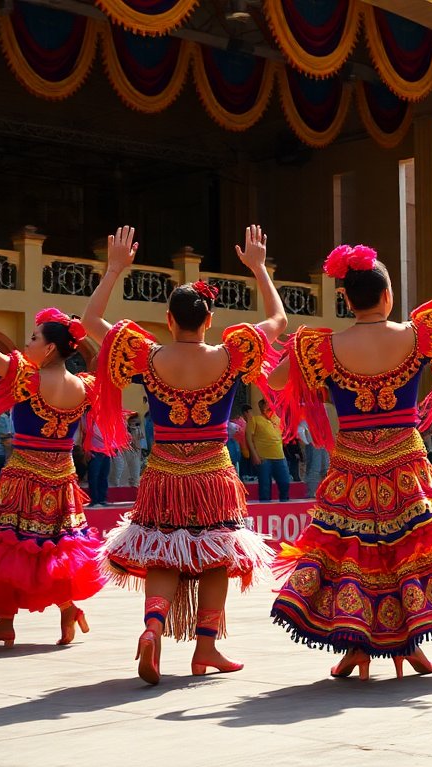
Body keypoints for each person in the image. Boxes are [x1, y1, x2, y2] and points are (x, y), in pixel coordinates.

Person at [269, 224, 432, 680]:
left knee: (352, 552)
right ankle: (408, 645)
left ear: (346, 300)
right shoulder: (417, 335)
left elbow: (276, 381)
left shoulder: (322, 347)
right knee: (402, 551)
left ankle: (356, 648)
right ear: (388, 297)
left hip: (351, 461)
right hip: (405, 459)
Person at [84, 225, 284, 684]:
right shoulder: (231, 354)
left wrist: (114, 269)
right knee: (217, 555)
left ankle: (153, 629)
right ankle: (205, 650)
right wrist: (258, 268)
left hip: (163, 472)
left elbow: (92, 321)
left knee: (161, 552)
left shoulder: (148, 356)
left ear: (169, 320)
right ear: (209, 320)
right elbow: (278, 321)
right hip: (214, 471)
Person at [0, 295, 105, 646]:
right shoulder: (84, 387)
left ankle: (9, 620)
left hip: (24, 477)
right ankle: (52, 611)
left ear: (51, 347)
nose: (28, 343)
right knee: (51, 547)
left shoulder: (28, 377)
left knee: (11, 547)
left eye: (34, 338)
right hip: (62, 479)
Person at [247, 398, 290, 502]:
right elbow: (248, 439)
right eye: (265, 403)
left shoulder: (278, 420)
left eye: (270, 403)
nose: (268, 406)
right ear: (261, 407)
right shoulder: (255, 420)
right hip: (263, 458)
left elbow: (282, 437)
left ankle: (285, 506)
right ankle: (265, 509)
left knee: (285, 482)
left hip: (280, 457)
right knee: (265, 486)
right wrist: (254, 455)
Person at [83, 419, 111, 507]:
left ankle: (102, 499)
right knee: (94, 476)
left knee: (104, 476)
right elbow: (85, 435)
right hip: (94, 452)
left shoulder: (106, 421)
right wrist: (87, 450)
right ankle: (94, 500)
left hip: (106, 452)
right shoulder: (89, 420)